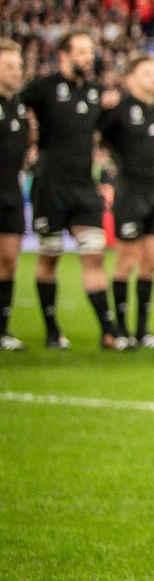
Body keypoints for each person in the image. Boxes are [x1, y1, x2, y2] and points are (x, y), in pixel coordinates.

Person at [21, 29, 122, 349]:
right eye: (80, 52)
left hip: (83, 185)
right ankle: (52, 331)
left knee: (93, 257)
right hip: (50, 184)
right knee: (49, 256)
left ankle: (108, 331)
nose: (87, 57)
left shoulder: (95, 92)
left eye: (89, 51)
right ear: (63, 55)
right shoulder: (43, 88)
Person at [99, 51, 154, 348]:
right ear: (130, 79)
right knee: (126, 260)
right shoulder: (118, 110)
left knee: (151, 263)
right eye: (146, 73)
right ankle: (120, 329)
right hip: (130, 191)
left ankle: (142, 331)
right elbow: (99, 136)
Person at [0, 40, 29, 350]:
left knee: (8, 262)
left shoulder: (19, 105)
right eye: (9, 66)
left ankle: (3, 330)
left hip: (11, 191)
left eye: (19, 66)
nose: (16, 72)